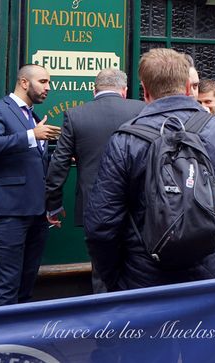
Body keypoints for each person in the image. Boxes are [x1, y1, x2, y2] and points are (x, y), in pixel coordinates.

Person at [84, 49, 215, 291]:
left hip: (145, 283)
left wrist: (118, 278)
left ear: (145, 91)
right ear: (190, 87)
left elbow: (102, 224)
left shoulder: (125, 140)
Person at [44, 68, 145, 292]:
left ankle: (106, 322)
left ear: (94, 89)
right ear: (125, 90)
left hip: (95, 204)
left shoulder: (75, 114)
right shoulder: (142, 110)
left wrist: (53, 205)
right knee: (139, 265)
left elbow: (58, 164)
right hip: (139, 202)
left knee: (102, 270)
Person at [0, 64, 60, 305]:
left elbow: (32, 162)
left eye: (48, 82)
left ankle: (20, 340)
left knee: (26, 282)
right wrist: (31, 135)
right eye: (43, 82)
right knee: (7, 284)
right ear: (24, 82)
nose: (48, 88)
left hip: (36, 213)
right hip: (7, 214)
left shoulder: (32, 116)